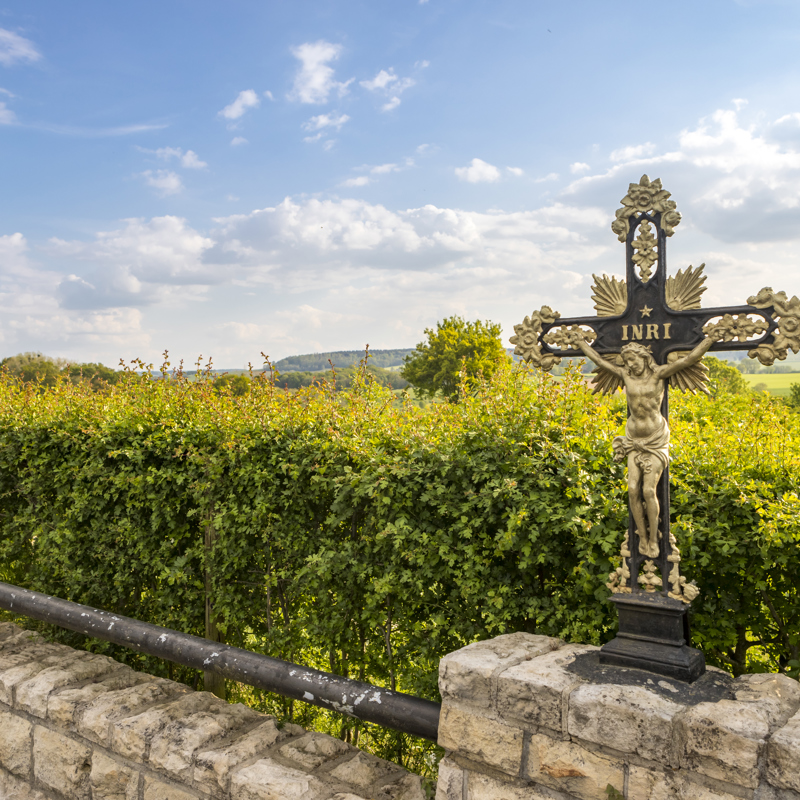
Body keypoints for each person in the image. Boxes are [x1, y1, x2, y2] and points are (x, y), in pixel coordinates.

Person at [573, 336, 714, 559]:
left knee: (648, 490)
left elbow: (688, 360)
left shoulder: (659, 375)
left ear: (644, 358)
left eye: (632, 360)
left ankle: (655, 537)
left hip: (655, 440)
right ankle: (644, 537)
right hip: (632, 439)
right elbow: (600, 362)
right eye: (626, 361)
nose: (629, 365)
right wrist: (581, 344)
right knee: (631, 490)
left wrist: (710, 340)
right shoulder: (625, 375)